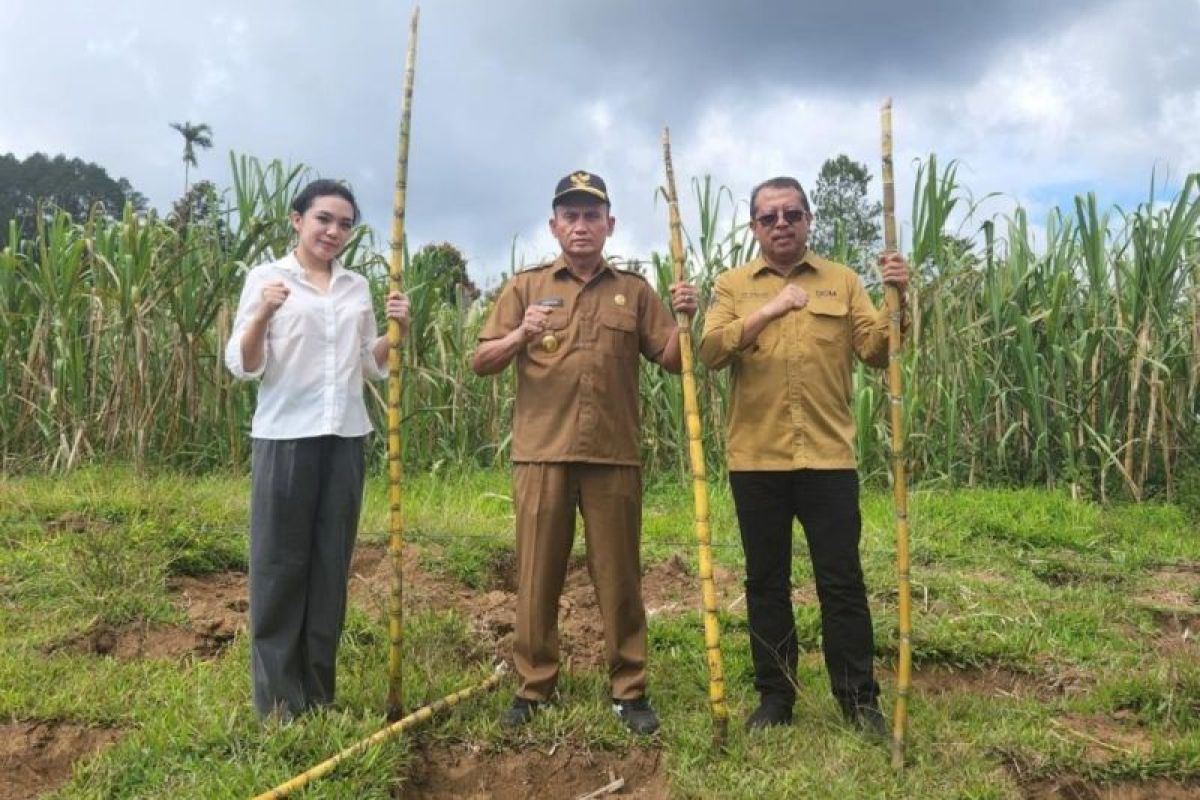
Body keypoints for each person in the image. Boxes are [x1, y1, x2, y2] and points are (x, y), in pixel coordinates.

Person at [471, 171, 698, 734]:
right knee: (536, 576)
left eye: (591, 215)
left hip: (613, 455)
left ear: (609, 225)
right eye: (569, 216)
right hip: (541, 454)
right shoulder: (523, 288)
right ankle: (533, 686)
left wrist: (689, 317)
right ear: (554, 226)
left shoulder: (636, 291)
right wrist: (520, 335)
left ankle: (629, 687)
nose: (580, 225)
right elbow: (482, 361)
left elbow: (670, 360)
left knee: (619, 576)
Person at [698, 176, 909, 736]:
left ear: (809, 219)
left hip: (828, 460)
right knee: (766, 582)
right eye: (769, 217)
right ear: (754, 228)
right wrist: (770, 310)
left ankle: (858, 701)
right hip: (756, 460)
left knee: (841, 581)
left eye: (792, 213)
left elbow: (875, 350)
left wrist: (898, 299)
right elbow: (711, 351)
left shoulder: (842, 281)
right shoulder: (732, 285)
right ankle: (776, 698)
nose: (782, 224)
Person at [224, 179, 410, 720]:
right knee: (281, 567)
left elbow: (371, 363)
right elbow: (243, 363)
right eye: (324, 219)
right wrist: (261, 314)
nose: (334, 232)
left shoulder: (356, 287)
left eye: (345, 224)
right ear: (297, 220)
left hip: (345, 438)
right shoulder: (267, 279)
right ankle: (279, 703)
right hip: (285, 438)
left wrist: (394, 331)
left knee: (329, 567)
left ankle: (318, 694)